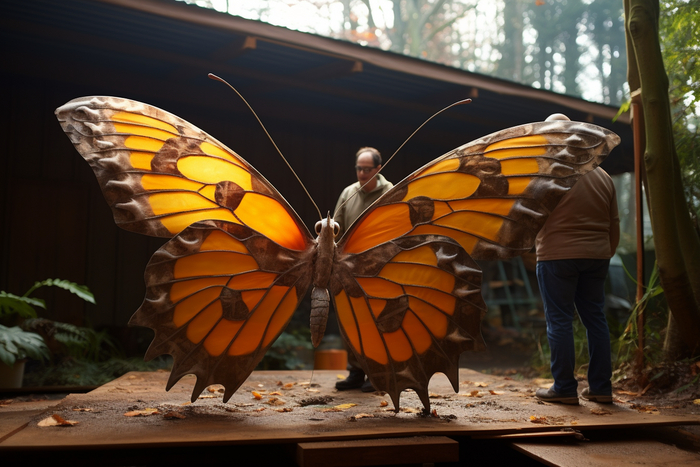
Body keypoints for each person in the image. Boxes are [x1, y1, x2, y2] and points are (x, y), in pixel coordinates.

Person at [534, 115, 620, 405]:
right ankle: (601, 388)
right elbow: (614, 222)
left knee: (559, 320)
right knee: (595, 319)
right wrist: (605, 251)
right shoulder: (602, 175)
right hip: (597, 255)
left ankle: (564, 388)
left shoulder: (547, 173)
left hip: (556, 256)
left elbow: (530, 217)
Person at [333, 147, 393, 392]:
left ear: (378, 169)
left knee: (376, 322)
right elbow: (337, 226)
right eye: (359, 168)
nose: (362, 173)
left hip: (378, 267)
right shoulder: (348, 193)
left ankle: (378, 374)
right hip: (350, 267)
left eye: (367, 169)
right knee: (351, 321)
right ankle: (356, 371)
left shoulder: (389, 193)